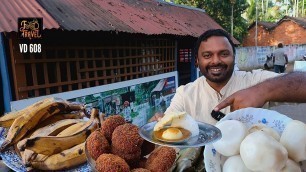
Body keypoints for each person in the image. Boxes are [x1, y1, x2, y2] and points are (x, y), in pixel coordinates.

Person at [150, 29, 306, 125]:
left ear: (234, 57)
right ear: (197, 61)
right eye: (207, 55)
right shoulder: (185, 95)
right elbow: (166, 127)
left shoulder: (254, 81)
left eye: (224, 54)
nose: (216, 60)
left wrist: (263, 91)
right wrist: (156, 126)